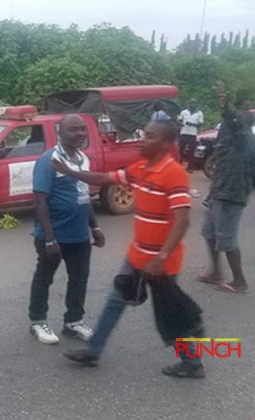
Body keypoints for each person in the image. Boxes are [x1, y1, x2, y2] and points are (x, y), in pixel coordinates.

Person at [57, 120, 206, 378]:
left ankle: (193, 364)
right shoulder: (140, 168)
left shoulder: (173, 173)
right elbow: (104, 178)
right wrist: (70, 171)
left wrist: (161, 258)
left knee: (168, 314)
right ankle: (93, 351)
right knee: (115, 300)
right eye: (143, 134)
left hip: (162, 263)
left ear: (164, 144)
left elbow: (182, 221)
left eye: (149, 136)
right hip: (137, 256)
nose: (142, 140)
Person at [28, 114, 105, 344]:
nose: (80, 134)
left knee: (79, 279)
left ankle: (74, 321)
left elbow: (84, 196)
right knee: (44, 278)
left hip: (79, 235)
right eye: (74, 130)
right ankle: (37, 321)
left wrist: (95, 227)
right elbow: (40, 201)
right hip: (54, 236)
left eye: (83, 130)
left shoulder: (83, 159)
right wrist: (50, 239)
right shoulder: (48, 160)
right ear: (59, 133)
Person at [198, 93, 254, 293]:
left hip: (232, 194)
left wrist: (227, 107)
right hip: (220, 191)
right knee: (209, 232)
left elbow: (237, 123)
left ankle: (239, 281)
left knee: (227, 239)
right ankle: (216, 272)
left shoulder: (244, 139)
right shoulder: (231, 141)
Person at [177, 100, 203, 171]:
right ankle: (179, 164)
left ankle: (190, 167)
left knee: (191, 151)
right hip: (183, 133)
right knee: (181, 148)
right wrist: (180, 124)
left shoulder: (199, 113)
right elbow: (179, 121)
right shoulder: (183, 112)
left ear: (196, 105)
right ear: (188, 104)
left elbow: (200, 124)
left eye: (194, 104)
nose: (192, 105)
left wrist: (192, 124)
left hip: (192, 134)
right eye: (191, 103)